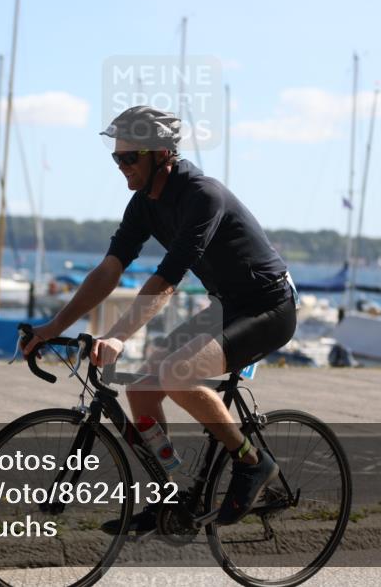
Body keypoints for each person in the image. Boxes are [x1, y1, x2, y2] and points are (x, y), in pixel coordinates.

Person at [22, 105, 297, 533]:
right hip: (226, 305)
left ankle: (252, 461)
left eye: (130, 158)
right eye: (117, 158)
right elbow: (109, 270)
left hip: (269, 306)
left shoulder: (201, 195)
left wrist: (117, 336)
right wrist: (52, 328)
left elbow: (169, 278)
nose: (121, 167)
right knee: (143, 392)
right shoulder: (144, 204)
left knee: (175, 374)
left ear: (161, 154)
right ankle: (170, 499)